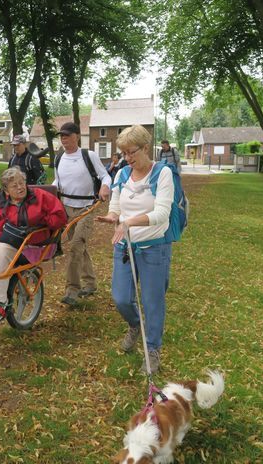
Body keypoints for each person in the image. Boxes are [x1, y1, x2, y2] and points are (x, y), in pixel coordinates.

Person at [96, 125, 175, 374]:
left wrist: (129, 222)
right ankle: (134, 324)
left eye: (132, 153)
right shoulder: (122, 174)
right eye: (124, 154)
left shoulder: (162, 174)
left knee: (152, 302)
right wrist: (112, 217)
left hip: (154, 247)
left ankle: (152, 349)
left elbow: (162, 214)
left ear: (145, 148)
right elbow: (116, 206)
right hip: (125, 246)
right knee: (120, 297)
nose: (128, 159)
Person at [0, 168, 67, 324]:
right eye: (14, 186)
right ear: (6, 190)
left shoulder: (40, 196)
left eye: (22, 182)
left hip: (33, 244)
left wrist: (41, 220)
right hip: (8, 241)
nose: (20, 187)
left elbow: (60, 217)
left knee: (1, 250)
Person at [52, 121, 111, 306]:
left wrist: (105, 188)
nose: (64, 139)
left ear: (77, 136)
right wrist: (49, 192)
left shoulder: (88, 155)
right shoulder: (59, 157)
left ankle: (72, 290)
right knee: (80, 248)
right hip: (66, 208)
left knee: (76, 247)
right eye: (61, 136)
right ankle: (91, 283)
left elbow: (105, 176)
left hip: (86, 208)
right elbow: (57, 180)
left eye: (67, 135)